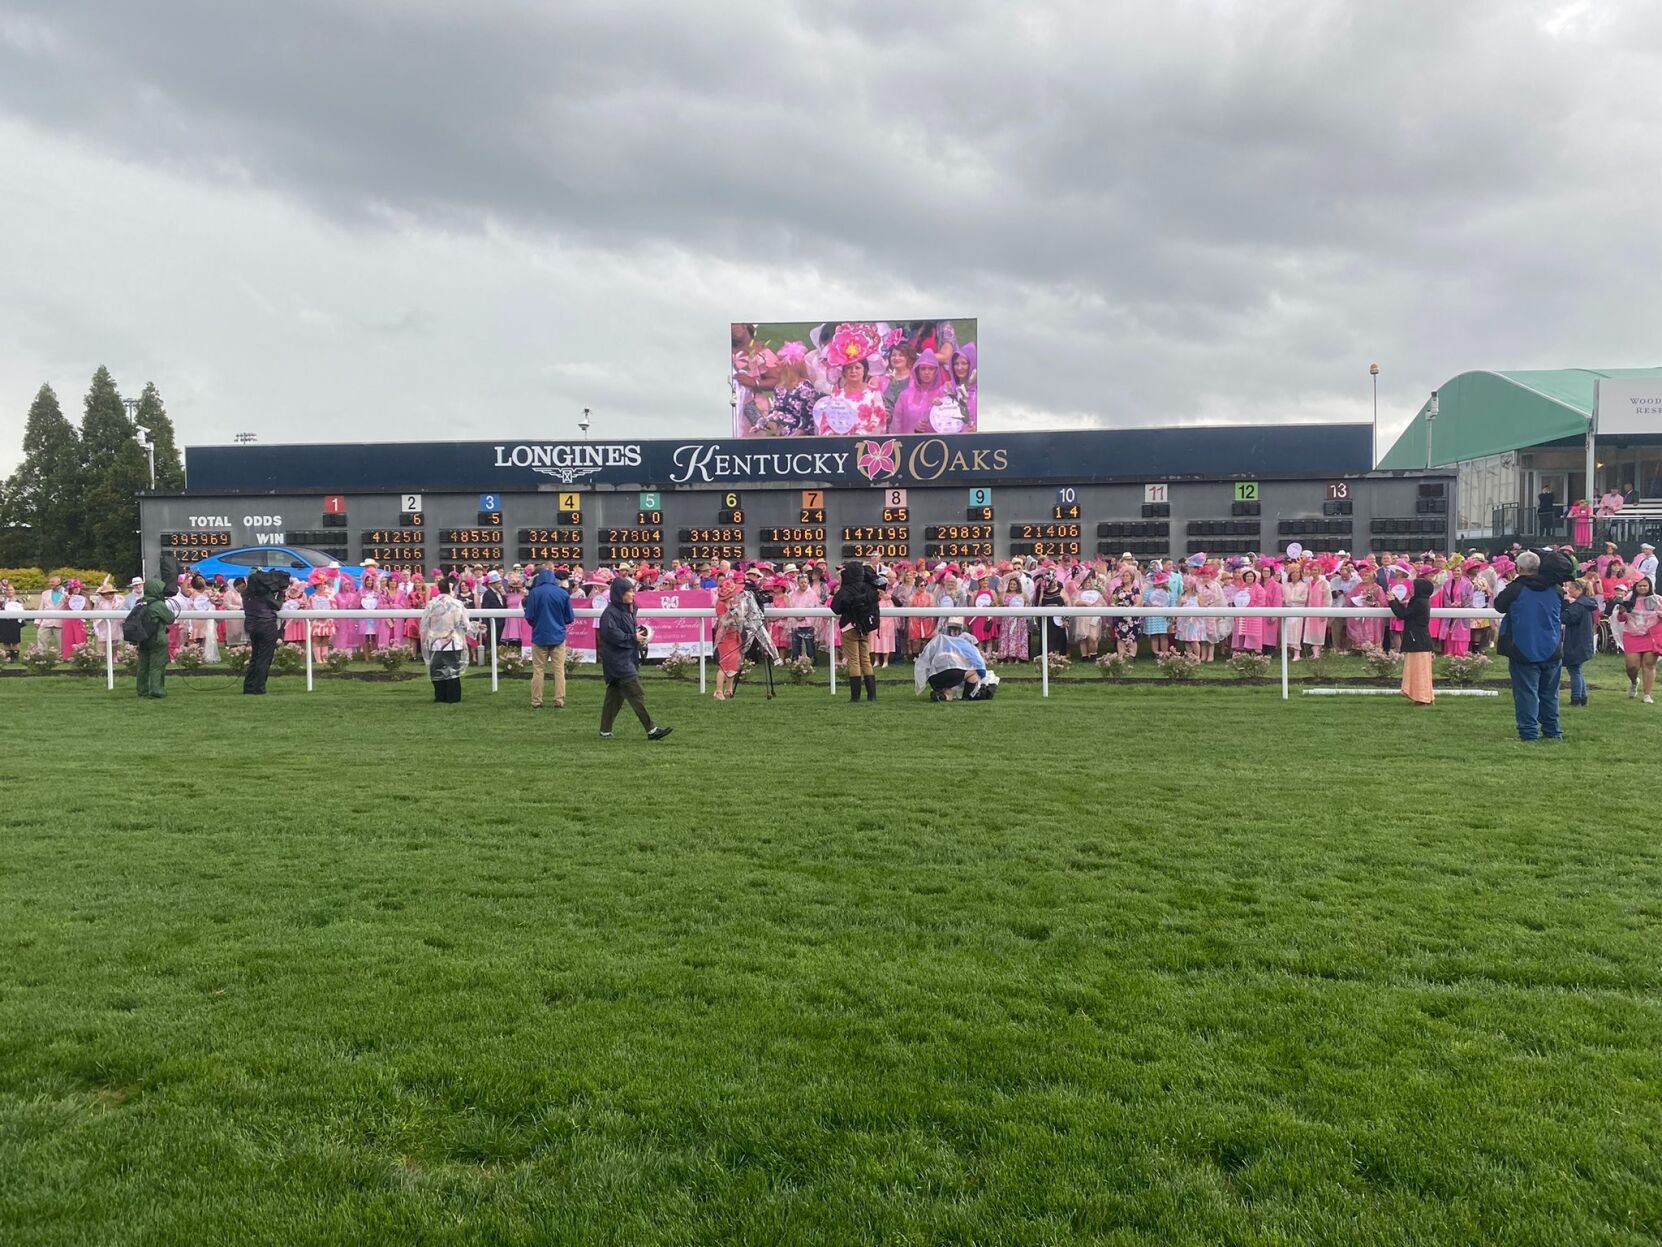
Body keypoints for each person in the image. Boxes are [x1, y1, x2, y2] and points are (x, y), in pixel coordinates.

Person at [1495, 549, 1568, 741]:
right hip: (1551, 647)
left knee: (1527, 694)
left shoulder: (1515, 589)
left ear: (1519, 568)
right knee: (1550, 694)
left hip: (1523, 648)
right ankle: (1553, 732)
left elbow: (1499, 605)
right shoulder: (1556, 589)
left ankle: (1529, 733)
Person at [597, 577, 672, 739]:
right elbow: (613, 635)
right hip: (618, 662)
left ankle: (605, 730)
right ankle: (651, 730)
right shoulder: (610, 614)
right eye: (629, 591)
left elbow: (627, 632)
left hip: (625, 658)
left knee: (614, 698)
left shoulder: (628, 609)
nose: (633, 594)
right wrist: (633, 637)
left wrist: (639, 636)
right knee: (637, 694)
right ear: (620, 594)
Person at [523, 568, 575, 709]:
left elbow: (529, 616)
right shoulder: (562, 593)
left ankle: (536, 700)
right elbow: (569, 618)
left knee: (538, 670)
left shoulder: (534, 593)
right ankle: (559, 700)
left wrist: (538, 624)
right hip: (558, 636)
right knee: (559, 669)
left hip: (539, 636)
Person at [830, 559, 880, 703]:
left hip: (849, 627)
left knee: (854, 661)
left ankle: (855, 697)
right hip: (865, 628)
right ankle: (872, 696)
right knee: (865, 660)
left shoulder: (845, 589)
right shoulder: (868, 587)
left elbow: (835, 608)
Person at [915, 617, 998, 702]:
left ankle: (940, 696)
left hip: (932, 677)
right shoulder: (967, 647)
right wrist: (983, 680)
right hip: (950, 672)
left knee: (949, 694)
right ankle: (966, 697)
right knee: (974, 674)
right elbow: (980, 668)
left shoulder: (945, 644)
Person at [419, 577, 471, 704]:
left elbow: (425, 624)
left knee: (437, 671)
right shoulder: (457, 604)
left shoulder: (431, 604)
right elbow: (465, 624)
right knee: (453, 671)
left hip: (435, 642)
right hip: (453, 642)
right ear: (451, 588)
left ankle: (440, 696)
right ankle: (453, 697)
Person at [1613, 575, 1661, 703]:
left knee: (1649, 664)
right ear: (1635, 587)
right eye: (1640, 586)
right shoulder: (1629, 599)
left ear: (1650, 587)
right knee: (1632, 666)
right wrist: (1622, 612)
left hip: (1651, 635)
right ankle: (1634, 682)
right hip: (1631, 634)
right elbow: (1621, 619)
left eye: (1645, 585)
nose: (1643, 588)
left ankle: (1647, 695)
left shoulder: (1657, 600)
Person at [1388, 578, 1436, 705]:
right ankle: (1421, 696)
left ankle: (1423, 697)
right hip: (1419, 639)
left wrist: (1392, 602)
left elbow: (1403, 614)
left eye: (1414, 587)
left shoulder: (1420, 602)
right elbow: (1406, 612)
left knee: (1419, 671)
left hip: (1418, 640)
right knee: (1418, 670)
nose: (1411, 589)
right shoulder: (1421, 601)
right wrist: (1395, 601)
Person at [242, 569, 288, 694]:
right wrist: (281, 593)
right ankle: (259, 687)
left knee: (255, 657)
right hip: (267, 627)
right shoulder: (265, 595)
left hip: (252, 628)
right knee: (264, 659)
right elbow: (278, 605)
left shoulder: (246, 595)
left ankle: (249, 686)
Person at [133, 578, 177, 699]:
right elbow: (170, 619)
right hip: (157, 638)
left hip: (142, 639)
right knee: (157, 665)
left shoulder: (139, 602)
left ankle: (142, 690)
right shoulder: (158, 605)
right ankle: (157, 690)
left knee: (143, 666)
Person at [1560, 579, 1598, 707]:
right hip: (1584, 642)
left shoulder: (1578, 606)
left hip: (1576, 642)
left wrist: (1564, 604)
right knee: (1578, 670)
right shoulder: (1587, 604)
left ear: (1579, 589)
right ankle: (1582, 696)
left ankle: (1576, 698)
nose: (1568, 590)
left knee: (1574, 670)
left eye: (1571, 588)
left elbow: (1566, 618)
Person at [0, 584, 23, 662]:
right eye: (7, 590)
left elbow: (21, 611)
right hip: (4, 623)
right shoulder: (2, 601)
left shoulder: (18, 601)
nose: (9, 591)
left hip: (15, 622)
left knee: (15, 641)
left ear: (14, 591)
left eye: (11, 590)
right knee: (6, 641)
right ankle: (8, 657)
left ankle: (15, 658)